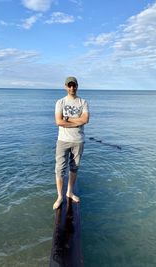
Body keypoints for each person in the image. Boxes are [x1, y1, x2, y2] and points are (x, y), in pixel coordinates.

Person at [53, 76, 89, 210]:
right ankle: (59, 197)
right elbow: (58, 121)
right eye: (69, 85)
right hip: (63, 140)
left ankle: (70, 192)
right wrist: (76, 120)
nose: (72, 88)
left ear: (77, 86)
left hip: (78, 141)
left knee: (74, 168)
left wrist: (68, 119)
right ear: (65, 87)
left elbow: (85, 119)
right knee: (60, 169)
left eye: (74, 85)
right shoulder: (60, 102)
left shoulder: (83, 102)